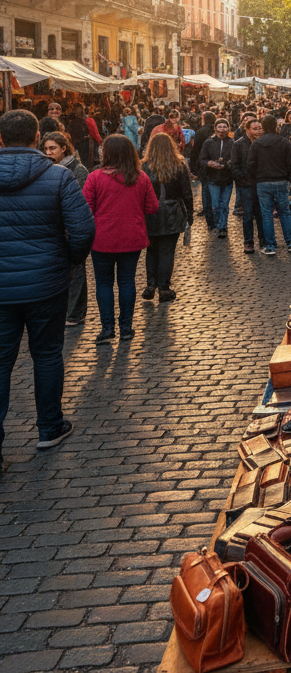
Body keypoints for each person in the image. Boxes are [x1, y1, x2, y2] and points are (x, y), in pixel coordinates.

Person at [0, 110, 95, 461]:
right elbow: (83, 229)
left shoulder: (58, 176)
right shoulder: (58, 177)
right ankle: (49, 427)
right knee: (47, 355)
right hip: (46, 282)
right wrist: (68, 260)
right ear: (36, 136)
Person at [83, 134, 159, 344]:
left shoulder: (95, 178)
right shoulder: (140, 177)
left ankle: (107, 328)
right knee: (127, 281)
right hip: (131, 237)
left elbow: (86, 210)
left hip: (102, 238)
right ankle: (126, 327)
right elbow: (152, 207)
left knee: (104, 283)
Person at [41, 132, 91, 327]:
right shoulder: (46, 169)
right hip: (53, 229)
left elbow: (83, 203)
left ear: (63, 148)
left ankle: (74, 312)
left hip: (71, 229)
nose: (48, 152)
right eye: (46, 149)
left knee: (76, 272)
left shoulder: (78, 170)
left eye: (52, 148)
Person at [140, 132, 194, 301]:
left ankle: (150, 284)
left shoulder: (144, 166)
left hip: (150, 213)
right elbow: (186, 192)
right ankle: (164, 288)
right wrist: (189, 214)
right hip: (172, 211)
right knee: (167, 252)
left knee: (151, 250)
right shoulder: (178, 164)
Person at [246, 114, 291, 256]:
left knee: (266, 214)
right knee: (284, 212)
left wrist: (253, 178)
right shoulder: (284, 142)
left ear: (263, 127)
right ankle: (290, 242)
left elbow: (250, 164)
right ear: (276, 126)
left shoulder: (256, 143)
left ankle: (270, 245)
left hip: (263, 182)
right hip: (280, 181)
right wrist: (290, 179)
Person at [232, 116, 267, 254]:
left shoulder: (263, 143)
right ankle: (248, 241)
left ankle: (263, 241)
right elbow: (235, 165)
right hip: (246, 185)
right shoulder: (239, 144)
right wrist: (242, 179)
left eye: (260, 128)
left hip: (261, 183)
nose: (258, 131)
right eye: (255, 129)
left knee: (262, 214)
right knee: (247, 214)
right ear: (247, 130)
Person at [198, 119, 235, 238]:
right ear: (215, 128)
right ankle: (219, 223)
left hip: (227, 178)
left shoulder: (232, 143)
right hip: (213, 178)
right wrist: (210, 163)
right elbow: (202, 159)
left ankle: (222, 226)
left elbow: (236, 160)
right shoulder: (209, 142)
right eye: (220, 127)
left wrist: (229, 164)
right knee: (215, 205)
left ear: (228, 129)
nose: (222, 129)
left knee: (224, 204)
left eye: (224, 127)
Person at [190, 111, 216, 226]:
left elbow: (195, 150)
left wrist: (193, 165)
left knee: (205, 190)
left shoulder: (200, 132)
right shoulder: (217, 130)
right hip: (216, 165)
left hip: (204, 165)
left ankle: (208, 214)